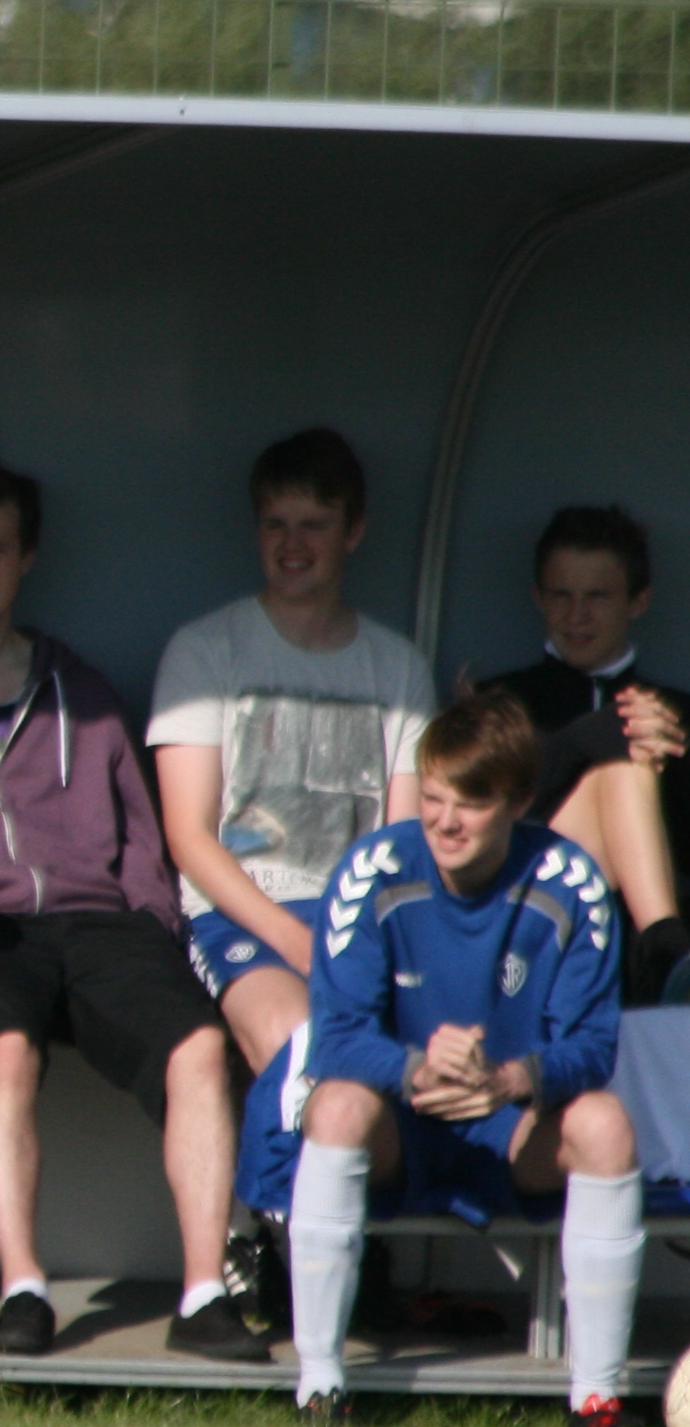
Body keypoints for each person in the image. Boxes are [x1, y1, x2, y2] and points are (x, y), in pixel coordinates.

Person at [0, 460, 241, 1359]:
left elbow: (140, 835)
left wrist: (153, 932)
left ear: (26, 559)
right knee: (5, 1051)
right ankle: (23, 1291)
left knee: (199, 1046)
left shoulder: (78, 689)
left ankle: (204, 1294)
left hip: (98, 920)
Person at [278, 693, 645, 1427]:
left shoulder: (571, 881)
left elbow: (592, 1048)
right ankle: (319, 1387)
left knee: (605, 1126)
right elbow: (337, 1038)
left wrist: (511, 1080)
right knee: (337, 1105)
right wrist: (417, 1069)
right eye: (433, 797)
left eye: (470, 803)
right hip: (398, 1121)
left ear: (518, 801)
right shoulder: (374, 870)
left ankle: (595, 1405)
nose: (444, 821)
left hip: (512, 1127)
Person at [146, 425, 435, 1354]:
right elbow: (189, 838)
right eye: (276, 523)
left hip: (357, 925)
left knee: (374, 1082)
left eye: (314, 524)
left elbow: (402, 846)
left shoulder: (397, 668)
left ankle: (312, 1237)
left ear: (354, 532)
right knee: (299, 1039)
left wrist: (353, 943)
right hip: (243, 914)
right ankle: (277, 1237)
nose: (293, 544)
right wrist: (293, 937)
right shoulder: (206, 650)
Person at [480, 503, 690, 1005]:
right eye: (561, 595)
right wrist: (589, 738)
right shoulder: (498, 703)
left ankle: (665, 954)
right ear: (538, 597)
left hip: (626, 953)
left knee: (630, 760)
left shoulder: (675, 714)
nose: (577, 616)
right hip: (525, 927)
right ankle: (668, 952)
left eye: (597, 596)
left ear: (637, 601)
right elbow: (481, 813)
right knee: (623, 764)